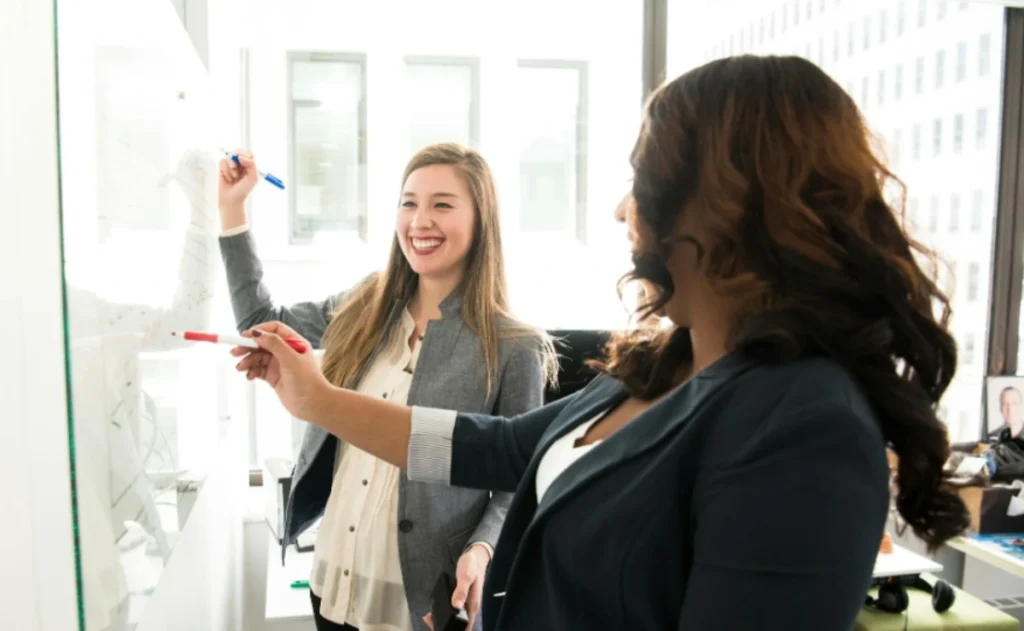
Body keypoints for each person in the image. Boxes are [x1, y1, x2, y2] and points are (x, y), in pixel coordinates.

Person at [232, 56, 970, 630]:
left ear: (726, 202)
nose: (622, 208)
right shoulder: (662, 363)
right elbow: (496, 446)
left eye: (640, 180)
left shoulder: (804, 423)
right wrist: (321, 401)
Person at [217, 143, 554, 631]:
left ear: (482, 220)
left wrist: (481, 550)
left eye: (442, 204)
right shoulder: (366, 302)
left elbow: (518, 481)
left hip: (427, 596)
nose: (420, 220)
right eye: (408, 202)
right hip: (335, 577)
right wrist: (233, 210)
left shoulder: (513, 345)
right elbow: (261, 323)